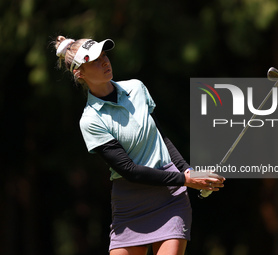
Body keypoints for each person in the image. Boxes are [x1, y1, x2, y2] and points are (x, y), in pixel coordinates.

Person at [54, 35, 225, 255]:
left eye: (104, 55)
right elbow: (129, 171)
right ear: (80, 73)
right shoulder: (90, 120)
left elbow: (159, 137)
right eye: (95, 60)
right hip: (129, 203)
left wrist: (187, 169)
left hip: (169, 196)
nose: (105, 62)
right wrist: (186, 179)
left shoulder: (136, 88)